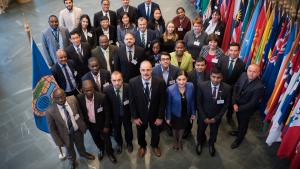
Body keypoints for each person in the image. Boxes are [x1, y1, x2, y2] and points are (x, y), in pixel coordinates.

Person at [46, 88, 95, 169]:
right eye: (58, 98)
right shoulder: (50, 111)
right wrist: (58, 141)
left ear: (65, 95)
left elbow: (80, 112)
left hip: (77, 131)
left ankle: (83, 153)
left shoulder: (73, 99)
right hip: (64, 135)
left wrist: (82, 124)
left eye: (62, 96)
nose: (61, 100)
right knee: (69, 150)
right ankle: (72, 161)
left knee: (81, 145)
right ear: (54, 99)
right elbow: (52, 129)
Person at [129, 60, 166, 158]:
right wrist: (135, 117)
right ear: (140, 70)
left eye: (148, 70)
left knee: (156, 132)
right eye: (143, 70)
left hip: (155, 115)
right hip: (140, 116)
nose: (146, 72)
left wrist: (160, 117)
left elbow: (163, 102)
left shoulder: (160, 82)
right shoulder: (132, 82)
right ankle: (142, 146)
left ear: (152, 70)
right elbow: (132, 102)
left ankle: (155, 145)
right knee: (140, 133)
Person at [77, 80, 117, 163]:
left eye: (91, 89)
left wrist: (106, 126)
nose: (89, 92)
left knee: (107, 140)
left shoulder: (102, 97)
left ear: (93, 88)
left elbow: (107, 112)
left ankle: (110, 153)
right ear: (82, 90)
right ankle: (101, 150)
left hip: (102, 124)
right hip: (91, 125)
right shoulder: (80, 98)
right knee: (96, 139)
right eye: (86, 90)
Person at [196, 68, 231, 156]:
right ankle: (199, 142)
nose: (215, 80)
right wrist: (204, 117)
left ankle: (211, 144)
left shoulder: (227, 88)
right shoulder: (202, 86)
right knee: (200, 130)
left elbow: (226, 105)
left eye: (218, 77)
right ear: (210, 76)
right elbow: (198, 103)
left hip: (216, 117)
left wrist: (216, 118)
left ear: (222, 77)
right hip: (203, 115)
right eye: (213, 77)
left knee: (214, 132)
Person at [230, 64, 265, 149]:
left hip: (246, 110)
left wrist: (239, 108)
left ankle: (239, 139)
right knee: (238, 121)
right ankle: (238, 132)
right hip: (237, 105)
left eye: (254, 72)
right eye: (249, 71)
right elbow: (236, 87)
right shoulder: (243, 75)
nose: (251, 73)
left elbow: (252, 103)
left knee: (243, 125)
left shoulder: (259, 87)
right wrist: (234, 102)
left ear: (258, 73)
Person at [103, 71, 133, 154]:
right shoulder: (106, 90)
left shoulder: (128, 87)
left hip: (126, 114)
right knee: (116, 131)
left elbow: (132, 102)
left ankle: (129, 143)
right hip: (115, 116)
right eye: (114, 80)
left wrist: (134, 115)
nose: (117, 83)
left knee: (128, 130)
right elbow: (107, 106)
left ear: (122, 79)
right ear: (111, 80)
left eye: (119, 80)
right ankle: (119, 144)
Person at [216, 42, 245, 125]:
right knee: (218, 103)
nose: (233, 53)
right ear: (228, 51)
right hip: (220, 86)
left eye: (235, 51)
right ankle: (218, 116)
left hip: (233, 88)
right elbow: (217, 71)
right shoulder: (222, 59)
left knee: (230, 105)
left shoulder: (242, 64)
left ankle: (229, 117)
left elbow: (240, 79)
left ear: (239, 51)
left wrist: (234, 88)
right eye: (231, 50)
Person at [166, 70, 196, 150]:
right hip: (175, 114)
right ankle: (175, 141)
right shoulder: (170, 89)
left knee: (182, 128)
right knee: (175, 129)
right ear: (176, 80)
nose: (182, 82)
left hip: (186, 113)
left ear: (187, 79)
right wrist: (168, 117)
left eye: (184, 79)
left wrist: (193, 113)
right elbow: (168, 105)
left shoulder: (191, 86)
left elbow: (193, 100)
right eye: (179, 79)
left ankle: (179, 141)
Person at [184, 57, 209, 138]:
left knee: (201, 119)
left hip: (203, 101)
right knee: (189, 117)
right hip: (192, 100)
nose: (200, 67)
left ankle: (201, 133)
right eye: (198, 65)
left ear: (205, 66)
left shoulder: (209, 75)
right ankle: (187, 130)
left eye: (202, 65)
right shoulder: (189, 74)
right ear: (195, 65)